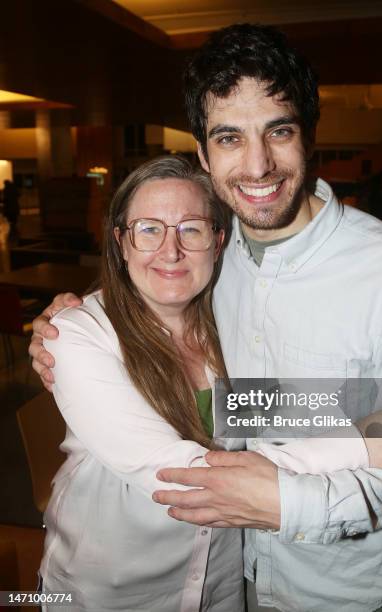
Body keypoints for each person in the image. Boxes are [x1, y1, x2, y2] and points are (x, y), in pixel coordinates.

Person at [30, 25, 382, 612]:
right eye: (230, 137)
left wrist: (285, 501)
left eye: (278, 131)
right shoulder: (211, 262)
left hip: (347, 592)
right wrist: (75, 318)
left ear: (310, 137)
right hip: (235, 576)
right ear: (204, 155)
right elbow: (250, 405)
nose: (257, 165)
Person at [38, 156, 246, 611]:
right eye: (149, 229)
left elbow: (280, 415)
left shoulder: (237, 329)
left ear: (218, 240)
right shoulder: (78, 333)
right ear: (121, 243)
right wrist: (359, 455)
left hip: (221, 582)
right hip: (108, 591)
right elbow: (173, 473)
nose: (170, 252)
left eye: (190, 228)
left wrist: (377, 425)